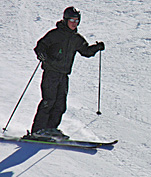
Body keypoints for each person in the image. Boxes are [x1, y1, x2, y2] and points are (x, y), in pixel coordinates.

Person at [30, 6, 104, 139]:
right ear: (65, 20)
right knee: (49, 101)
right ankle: (38, 130)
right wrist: (42, 56)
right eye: (72, 20)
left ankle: (51, 129)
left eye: (77, 20)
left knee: (60, 104)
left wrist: (97, 48)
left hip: (63, 75)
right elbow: (40, 46)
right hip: (51, 73)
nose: (74, 23)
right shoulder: (55, 34)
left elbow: (85, 51)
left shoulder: (76, 39)